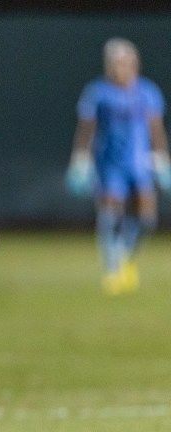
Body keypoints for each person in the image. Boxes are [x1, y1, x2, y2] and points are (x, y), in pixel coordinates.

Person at [66, 37, 171, 295]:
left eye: (124, 62)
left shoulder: (148, 91)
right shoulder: (98, 92)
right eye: (114, 63)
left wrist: (162, 158)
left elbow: (156, 129)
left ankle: (126, 258)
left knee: (145, 217)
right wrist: (80, 158)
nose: (119, 68)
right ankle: (112, 269)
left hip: (138, 162)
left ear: (134, 63)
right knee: (111, 212)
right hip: (109, 162)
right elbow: (87, 128)